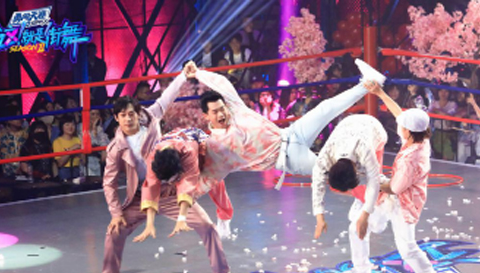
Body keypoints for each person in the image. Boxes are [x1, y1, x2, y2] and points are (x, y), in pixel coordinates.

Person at [138, 59, 375, 220]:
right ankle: (376, 192)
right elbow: (200, 184)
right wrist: (161, 199)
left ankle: (368, 84)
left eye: (222, 108)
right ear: (206, 116)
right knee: (333, 170)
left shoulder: (235, 108)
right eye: (215, 112)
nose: (221, 114)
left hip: (290, 133)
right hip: (289, 158)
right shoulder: (216, 150)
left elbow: (223, 84)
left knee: (325, 108)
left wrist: (198, 73)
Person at [98, 76, 238, 273]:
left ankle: (222, 272)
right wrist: (116, 213)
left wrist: (183, 75)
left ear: (138, 113)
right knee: (114, 232)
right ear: (116, 118)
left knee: (207, 226)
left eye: (131, 113)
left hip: (171, 190)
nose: (128, 118)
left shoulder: (152, 119)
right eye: (123, 115)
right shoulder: (116, 148)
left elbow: (167, 96)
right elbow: (109, 183)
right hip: (141, 195)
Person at [350, 77, 441, 273]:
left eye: (402, 125)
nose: (398, 124)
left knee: (407, 248)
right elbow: (398, 113)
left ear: (408, 131)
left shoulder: (412, 158)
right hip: (394, 195)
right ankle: (361, 270)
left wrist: (372, 179)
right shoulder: (420, 138)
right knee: (358, 225)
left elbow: (395, 188)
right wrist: (380, 93)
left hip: (402, 203)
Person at [311, 114, 387, 273]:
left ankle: (381, 202)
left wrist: (366, 215)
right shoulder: (325, 156)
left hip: (374, 129)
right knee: (356, 218)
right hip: (348, 126)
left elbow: (373, 181)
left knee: (375, 186)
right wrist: (319, 217)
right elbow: (317, 183)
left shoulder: (365, 150)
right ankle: (362, 198)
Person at [0, 106, 28, 178]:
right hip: (7, 172)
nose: (19, 119)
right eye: (15, 117)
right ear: (8, 120)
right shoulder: (2, 134)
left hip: (25, 171)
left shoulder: (26, 133)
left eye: (20, 116)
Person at [52, 116, 84, 182]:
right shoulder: (57, 142)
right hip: (65, 170)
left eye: (73, 125)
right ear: (62, 127)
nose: (70, 127)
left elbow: (84, 160)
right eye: (67, 125)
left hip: (78, 169)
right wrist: (71, 150)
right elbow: (60, 163)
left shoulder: (78, 139)